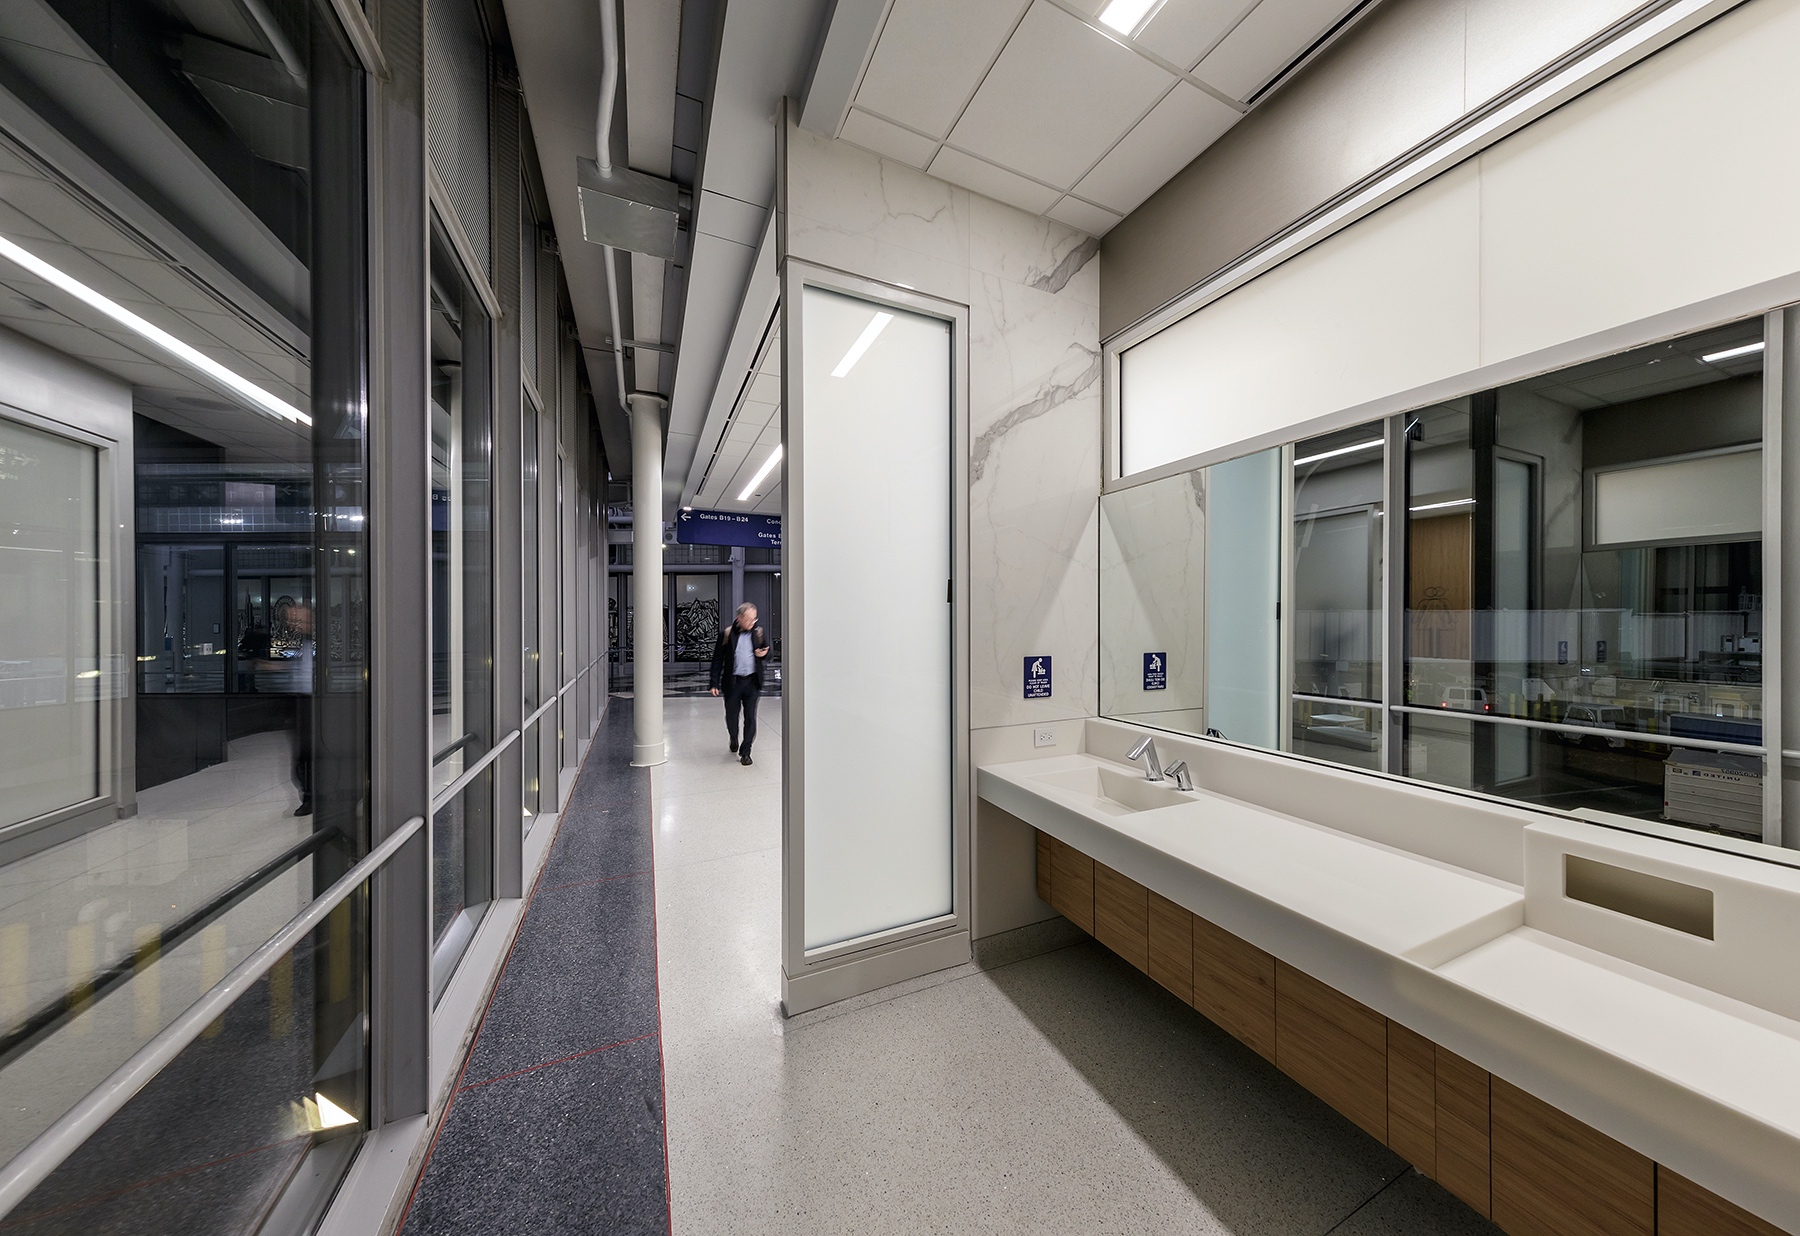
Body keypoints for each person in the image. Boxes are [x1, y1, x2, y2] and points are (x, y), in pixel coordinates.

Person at [709, 602, 768, 765]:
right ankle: (733, 736)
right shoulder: (727, 634)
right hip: (733, 683)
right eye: (748, 620)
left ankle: (746, 752)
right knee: (731, 716)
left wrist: (763, 654)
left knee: (750, 717)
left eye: (754, 619)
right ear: (739, 618)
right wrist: (713, 683)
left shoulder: (758, 633)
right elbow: (717, 660)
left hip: (752, 682)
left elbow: (767, 653)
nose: (752, 623)